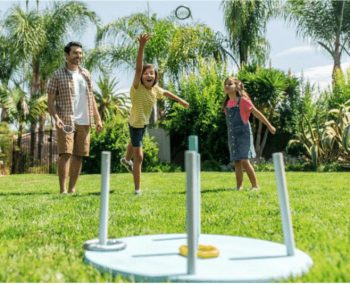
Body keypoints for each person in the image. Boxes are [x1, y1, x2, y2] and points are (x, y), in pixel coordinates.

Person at [120, 34, 189, 195]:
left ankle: (125, 160)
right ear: (141, 77)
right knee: (140, 158)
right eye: (146, 73)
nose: (149, 75)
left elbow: (167, 93)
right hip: (136, 124)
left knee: (133, 141)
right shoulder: (137, 87)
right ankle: (137, 189)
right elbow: (138, 68)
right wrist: (141, 46)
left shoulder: (155, 89)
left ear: (155, 77)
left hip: (142, 123)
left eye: (152, 73)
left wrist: (182, 101)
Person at [47, 41, 103, 194]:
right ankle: (62, 190)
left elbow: (91, 98)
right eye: (75, 53)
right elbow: (50, 101)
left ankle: (72, 189)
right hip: (66, 119)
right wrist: (56, 117)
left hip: (85, 120)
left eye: (80, 53)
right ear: (67, 55)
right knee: (66, 153)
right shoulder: (57, 75)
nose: (78, 56)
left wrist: (97, 118)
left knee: (79, 155)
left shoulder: (86, 74)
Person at [223, 76, 276, 191]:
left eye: (230, 84)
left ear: (237, 87)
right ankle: (239, 187)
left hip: (244, 135)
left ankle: (255, 186)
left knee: (244, 161)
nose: (226, 86)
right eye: (225, 84)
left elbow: (257, 113)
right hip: (232, 136)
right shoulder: (227, 104)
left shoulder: (243, 101)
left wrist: (269, 125)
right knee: (237, 161)